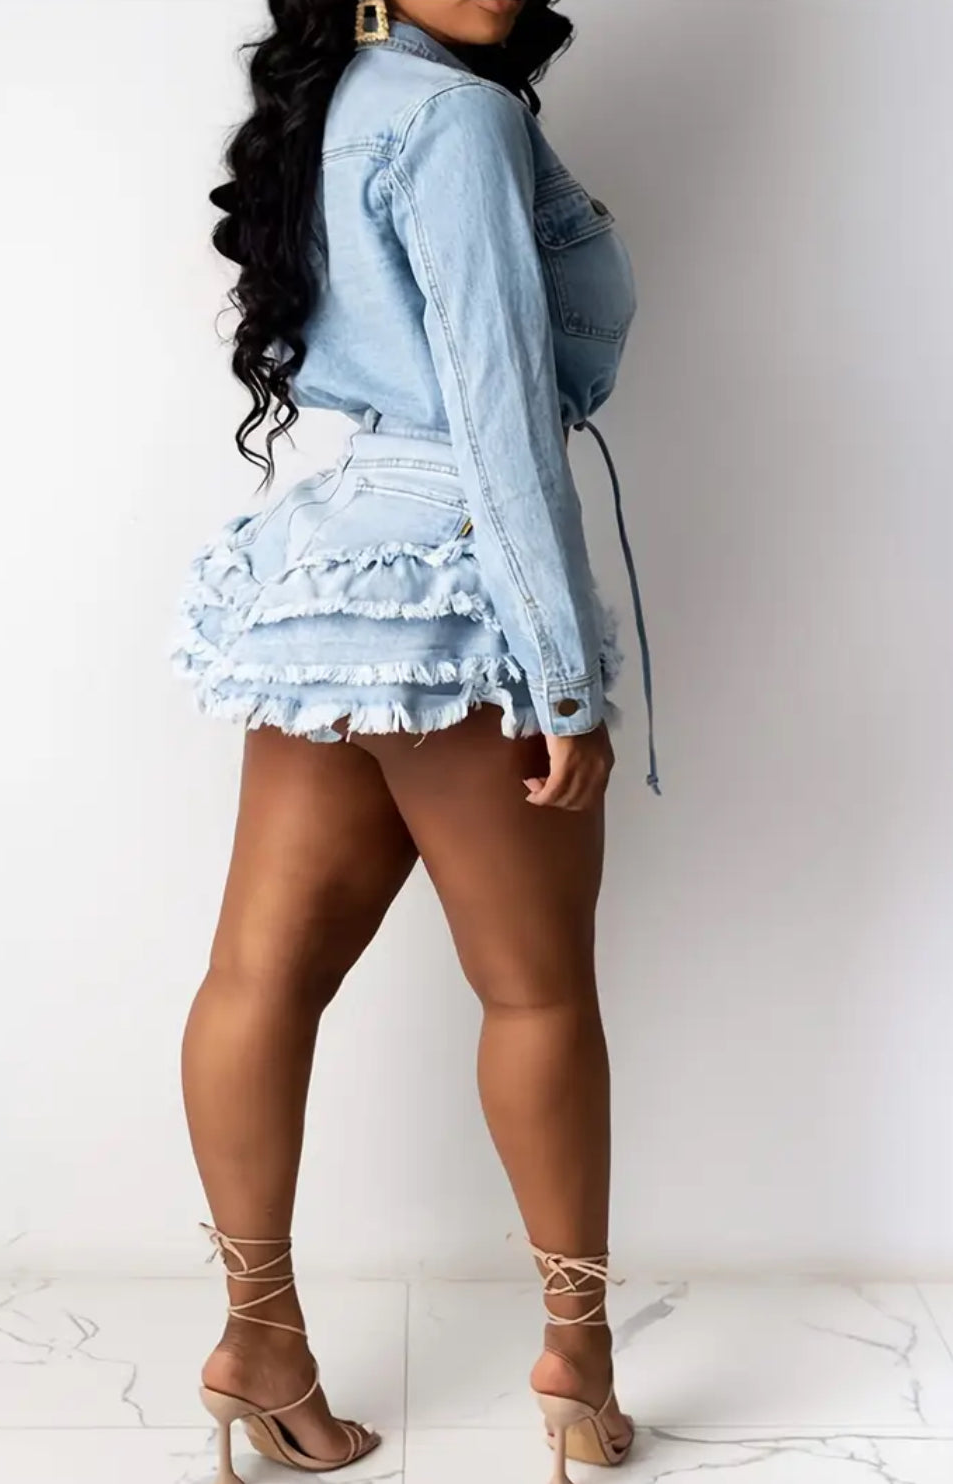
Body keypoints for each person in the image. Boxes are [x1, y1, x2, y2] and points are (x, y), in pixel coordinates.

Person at [173, 2, 657, 1479]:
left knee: (259, 974)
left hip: (326, 577)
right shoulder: (459, 118)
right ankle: (576, 1362)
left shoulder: (335, 101)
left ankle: (259, 1341)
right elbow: (499, 410)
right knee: (536, 992)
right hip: (458, 579)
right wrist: (560, 678)